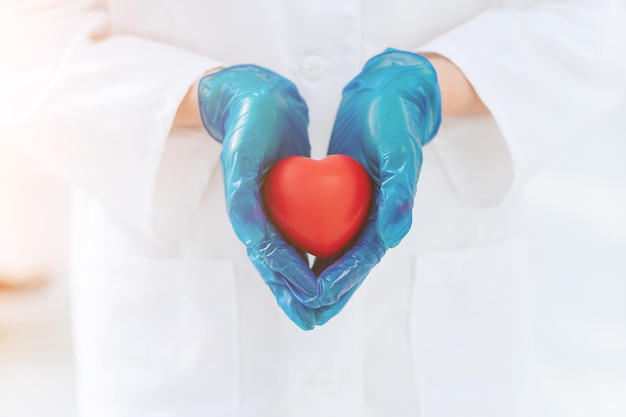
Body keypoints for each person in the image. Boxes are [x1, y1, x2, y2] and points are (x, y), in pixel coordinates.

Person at [1, 0, 625, 416]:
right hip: (182, 313)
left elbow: (592, 17)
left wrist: (441, 81)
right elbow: (21, 41)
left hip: (445, 313)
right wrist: (194, 98)